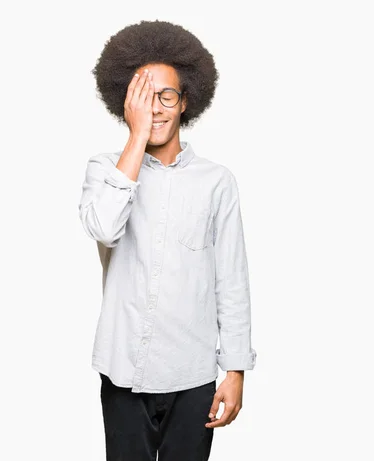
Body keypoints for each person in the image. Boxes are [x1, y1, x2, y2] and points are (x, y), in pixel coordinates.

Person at [78, 20, 256, 461]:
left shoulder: (217, 182)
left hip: (192, 375)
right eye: (143, 96)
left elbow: (231, 280)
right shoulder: (104, 169)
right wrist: (136, 137)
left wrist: (234, 370)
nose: (155, 109)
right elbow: (103, 227)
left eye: (166, 97)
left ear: (185, 103)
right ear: (125, 101)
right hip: (123, 371)